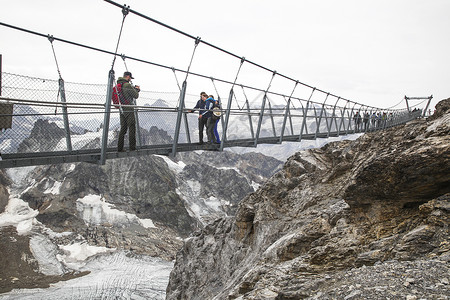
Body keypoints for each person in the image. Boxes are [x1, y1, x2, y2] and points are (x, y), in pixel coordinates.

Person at [117, 71, 140, 152]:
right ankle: (132, 147)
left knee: (123, 128)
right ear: (128, 77)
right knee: (132, 126)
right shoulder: (127, 85)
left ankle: (120, 148)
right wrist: (137, 90)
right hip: (129, 109)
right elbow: (135, 96)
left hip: (121, 109)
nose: (130, 80)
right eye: (130, 78)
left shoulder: (118, 85)